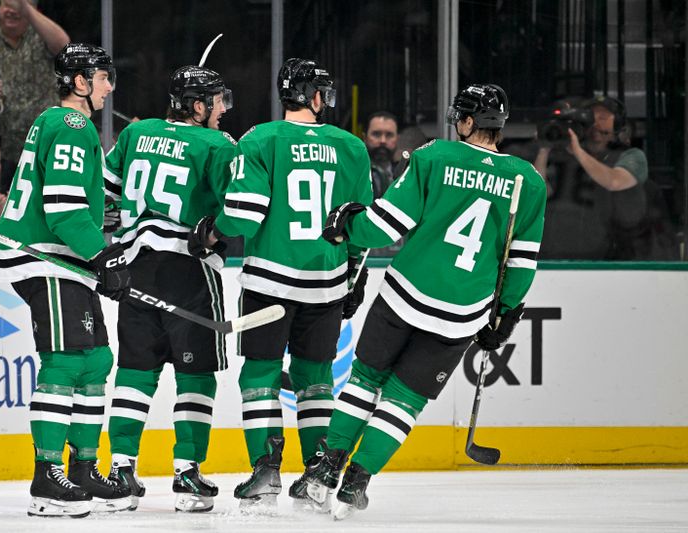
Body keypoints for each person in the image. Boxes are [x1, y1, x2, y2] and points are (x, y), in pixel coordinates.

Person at [304, 84, 547, 519]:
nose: (456, 122)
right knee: (403, 402)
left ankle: (327, 471)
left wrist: (349, 227)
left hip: (403, 296)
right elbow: (521, 262)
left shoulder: (434, 156)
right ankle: (356, 483)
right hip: (461, 315)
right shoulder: (527, 181)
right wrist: (504, 313)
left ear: (470, 122)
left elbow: (388, 223)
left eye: (461, 116)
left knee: (364, 381)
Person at [187, 57, 373, 511]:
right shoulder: (350, 146)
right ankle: (315, 473)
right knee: (315, 379)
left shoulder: (261, 139)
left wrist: (211, 229)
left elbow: (245, 215)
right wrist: (353, 272)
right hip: (326, 284)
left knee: (260, 375)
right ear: (313, 96)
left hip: (270, 282)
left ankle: (266, 472)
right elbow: (361, 225)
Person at [0, 43, 131, 518]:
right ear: (79, 82)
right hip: (46, 258)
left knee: (95, 360)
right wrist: (105, 255)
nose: (110, 86)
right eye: (103, 77)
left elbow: (76, 205)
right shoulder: (70, 124)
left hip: (67, 260)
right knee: (67, 362)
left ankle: (84, 468)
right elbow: (64, 208)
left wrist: (99, 240)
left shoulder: (65, 125)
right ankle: (46, 478)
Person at [102, 64, 236, 513]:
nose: (222, 110)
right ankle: (187, 473)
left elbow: (105, 192)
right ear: (198, 106)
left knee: (135, 372)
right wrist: (216, 231)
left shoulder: (136, 134)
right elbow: (237, 210)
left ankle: (120, 470)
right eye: (217, 101)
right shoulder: (218, 144)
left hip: (134, 266)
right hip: (189, 272)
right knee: (195, 375)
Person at [534, 96, 650, 260]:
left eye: (602, 117)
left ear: (617, 124)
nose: (595, 122)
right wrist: (544, 148)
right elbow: (540, 192)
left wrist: (578, 152)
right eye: (590, 116)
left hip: (606, 259)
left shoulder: (631, 156)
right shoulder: (563, 154)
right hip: (553, 256)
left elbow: (614, 181)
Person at [0, 0, 69, 193]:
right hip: (7, 150)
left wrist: (25, 8)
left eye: (18, 6)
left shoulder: (40, 35)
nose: (11, 11)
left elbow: (64, 46)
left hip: (47, 146)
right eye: (7, 4)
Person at [363, 111, 400, 198]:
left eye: (389, 135)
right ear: (365, 138)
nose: (383, 141)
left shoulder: (406, 175)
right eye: (376, 134)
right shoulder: (355, 173)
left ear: (397, 139)